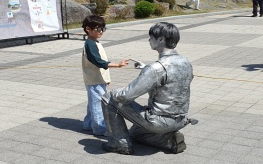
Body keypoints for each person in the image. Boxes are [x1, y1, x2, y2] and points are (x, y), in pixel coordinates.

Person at [101, 22, 195, 155]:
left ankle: (119, 145)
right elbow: (169, 81)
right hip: (180, 119)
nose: (149, 40)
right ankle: (168, 140)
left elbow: (126, 96)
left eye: (151, 37)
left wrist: (114, 93)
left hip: (159, 121)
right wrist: (146, 68)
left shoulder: (155, 69)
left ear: (161, 39)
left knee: (108, 98)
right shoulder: (186, 63)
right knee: (134, 134)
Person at [82, 15, 128, 136]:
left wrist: (106, 79)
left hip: (97, 79)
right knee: (97, 105)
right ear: (88, 29)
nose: (101, 32)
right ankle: (100, 128)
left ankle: (88, 124)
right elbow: (99, 62)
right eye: (98, 29)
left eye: (103, 29)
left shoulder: (94, 42)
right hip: (94, 80)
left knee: (93, 103)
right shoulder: (90, 44)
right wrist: (117, 65)